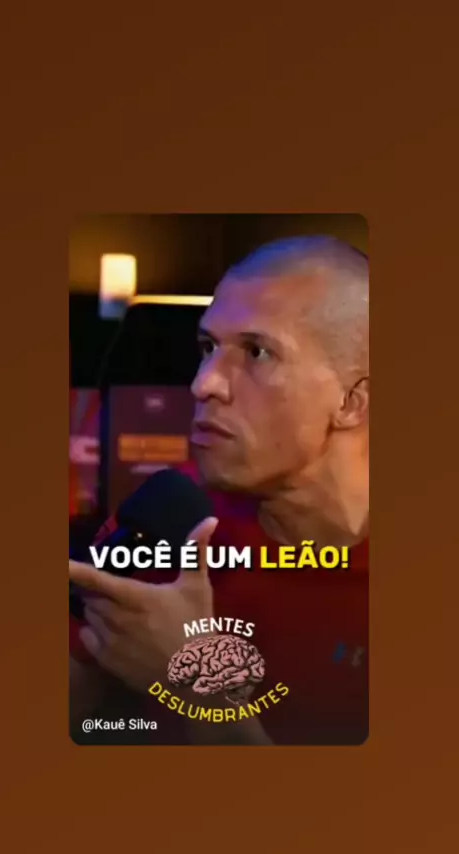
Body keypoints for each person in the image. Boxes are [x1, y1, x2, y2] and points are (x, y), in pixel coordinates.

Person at [69, 235, 369, 745]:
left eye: (257, 352)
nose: (203, 383)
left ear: (351, 402)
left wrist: (194, 684)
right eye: (208, 348)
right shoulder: (169, 516)